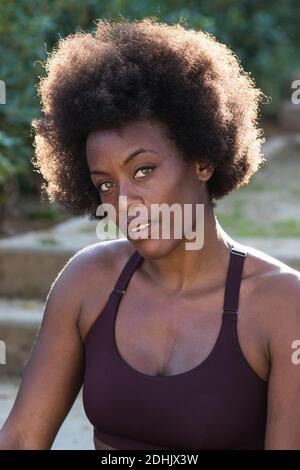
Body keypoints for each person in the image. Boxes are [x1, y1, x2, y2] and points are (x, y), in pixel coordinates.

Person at [1, 17, 300, 450]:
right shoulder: (89, 282)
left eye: (144, 170)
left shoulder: (281, 305)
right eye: (105, 183)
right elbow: (22, 438)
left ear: (202, 159)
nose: (123, 202)